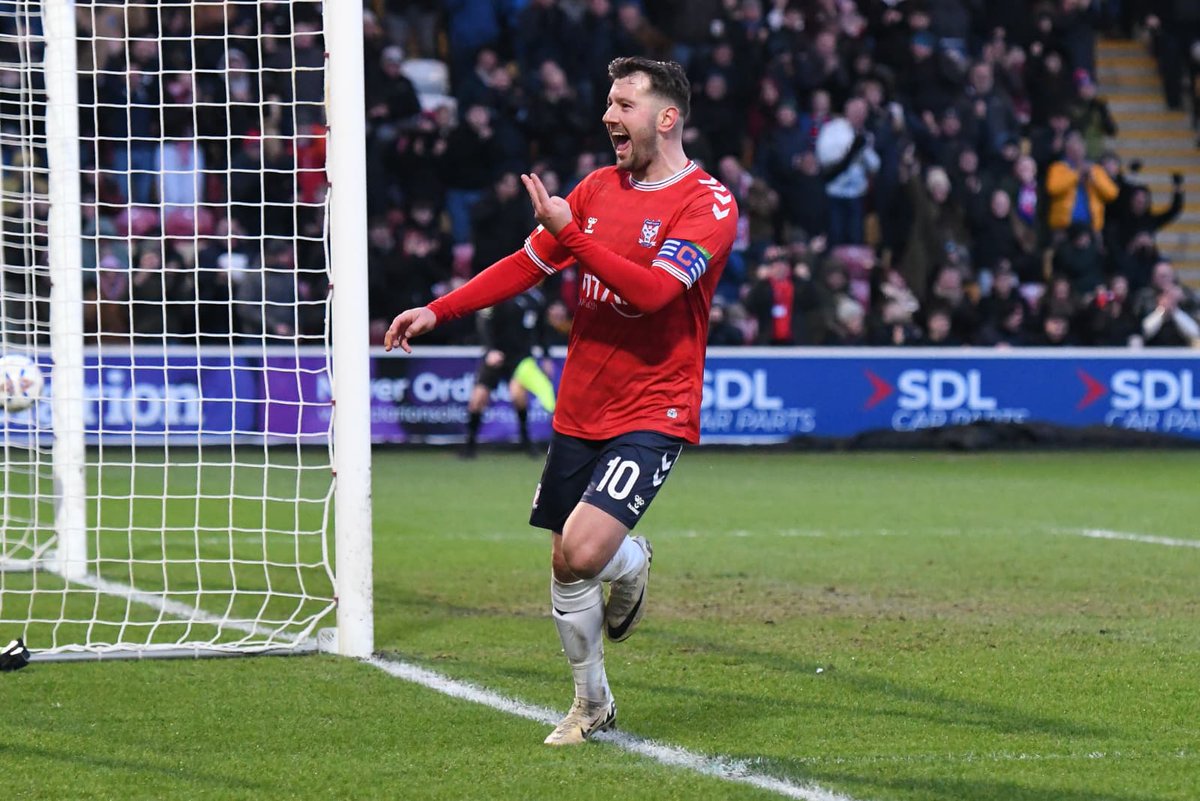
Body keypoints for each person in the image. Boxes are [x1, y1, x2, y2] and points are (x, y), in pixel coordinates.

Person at [384, 56, 737, 745]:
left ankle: (631, 561)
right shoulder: (598, 188)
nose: (609, 114)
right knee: (565, 561)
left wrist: (571, 232)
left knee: (583, 546)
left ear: (667, 118)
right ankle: (592, 702)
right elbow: (526, 263)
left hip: (654, 405)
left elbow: (655, 293)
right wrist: (439, 309)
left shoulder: (708, 204)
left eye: (625, 103)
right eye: (609, 101)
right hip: (581, 401)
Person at [462, 287, 556, 458]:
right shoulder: (500, 292)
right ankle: (469, 445)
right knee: (478, 398)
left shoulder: (536, 299)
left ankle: (526, 442)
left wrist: (546, 356)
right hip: (496, 354)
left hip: (520, 357)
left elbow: (542, 330)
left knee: (518, 397)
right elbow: (484, 322)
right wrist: (490, 349)